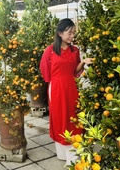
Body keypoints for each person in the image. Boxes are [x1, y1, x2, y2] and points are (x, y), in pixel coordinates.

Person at [39, 18, 93, 165]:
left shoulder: (75, 50)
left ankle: (73, 153)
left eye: (73, 33)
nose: (72, 36)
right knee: (60, 117)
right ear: (60, 33)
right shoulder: (50, 51)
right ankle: (63, 153)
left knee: (72, 116)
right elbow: (45, 71)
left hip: (71, 87)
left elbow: (75, 71)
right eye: (69, 33)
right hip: (56, 88)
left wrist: (82, 62)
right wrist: (54, 83)